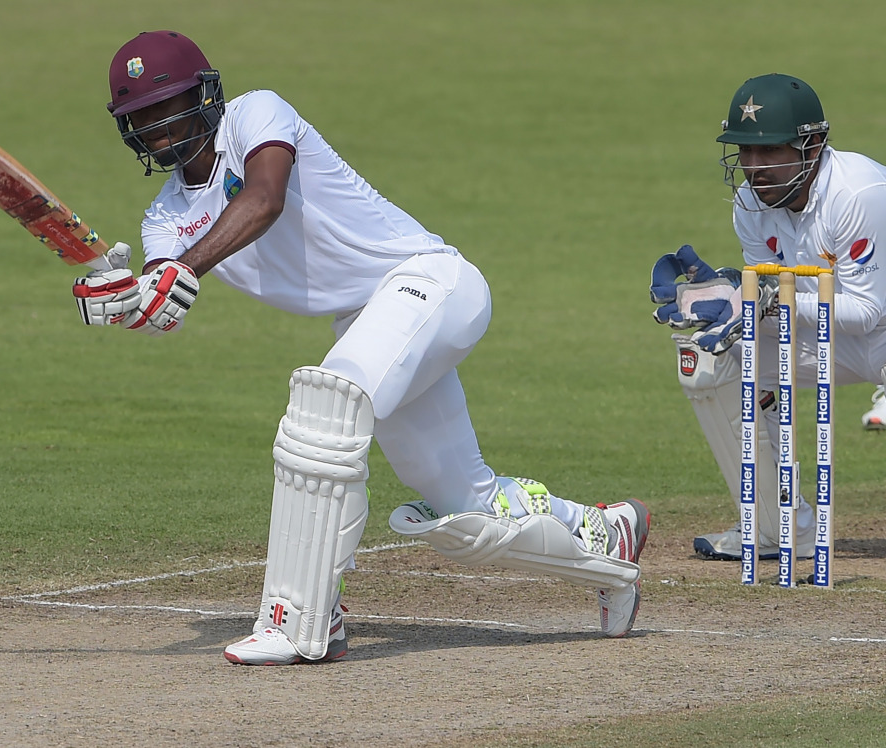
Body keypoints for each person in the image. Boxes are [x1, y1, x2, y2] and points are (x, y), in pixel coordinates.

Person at [77, 30, 650, 665]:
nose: (158, 128)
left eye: (169, 106)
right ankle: (606, 537)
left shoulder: (255, 114)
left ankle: (304, 620)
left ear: (205, 95)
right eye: (141, 119)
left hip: (429, 283)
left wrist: (179, 269)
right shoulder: (163, 217)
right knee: (465, 508)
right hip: (368, 324)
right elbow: (167, 304)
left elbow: (263, 199)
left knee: (326, 410)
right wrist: (127, 301)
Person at [650, 73, 886, 561]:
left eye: (770, 151)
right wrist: (742, 306)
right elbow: (780, 296)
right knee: (716, 359)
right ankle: (781, 525)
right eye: (746, 151)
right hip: (830, 331)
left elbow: (867, 312)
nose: (755, 167)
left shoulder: (857, 193)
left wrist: (770, 300)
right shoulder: (749, 205)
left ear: (813, 143)